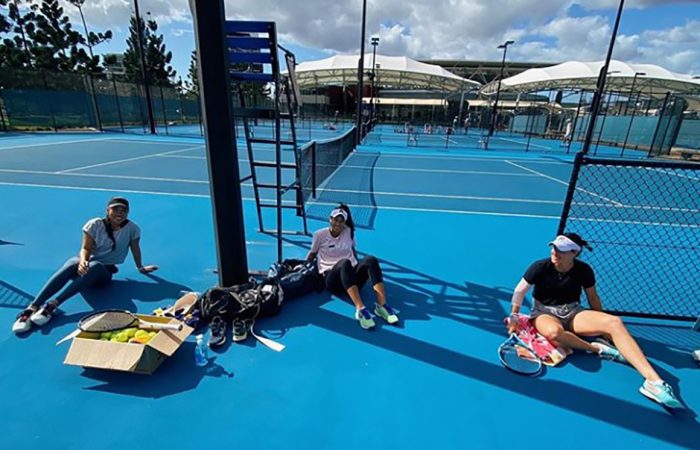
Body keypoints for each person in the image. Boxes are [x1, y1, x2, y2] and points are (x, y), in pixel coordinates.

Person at [507, 233, 684, 409]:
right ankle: (597, 348)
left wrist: (602, 325)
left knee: (614, 322)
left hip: (573, 311)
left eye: (561, 249)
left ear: (574, 253)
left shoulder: (584, 270)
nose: (555, 252)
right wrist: (514, 316)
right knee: (554, 333)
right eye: (554, 247)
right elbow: (519, 291)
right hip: (543, 312)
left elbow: (593, 298)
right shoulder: (540, 267)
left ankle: (654, 382)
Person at [12, 197, 158, 334]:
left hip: (102, 274)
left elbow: (135, 248)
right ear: (108, 211)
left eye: (123, 210)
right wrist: (83, 261)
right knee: (72, 263)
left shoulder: (133, 229)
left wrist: (140, 267)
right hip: (84, 267)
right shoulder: (94, 224)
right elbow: (86, 248)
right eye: (116, 209)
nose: (120, 213)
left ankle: (52, 306)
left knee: (95, 266)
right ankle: (31, 308)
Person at [306, 204, 399, 329]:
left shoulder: (348, 232)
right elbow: (312, 254)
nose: (338, 224)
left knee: (371, 260)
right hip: (333, 281)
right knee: (344, 262)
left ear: (344, 223)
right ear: (330, 219)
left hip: (351, 279)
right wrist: (304, 268)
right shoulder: (319, 235)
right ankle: (361, 309)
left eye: (341, 221)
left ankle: (381, 306)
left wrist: (358, 266)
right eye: (335, 220)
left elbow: (352, 249)